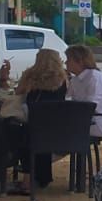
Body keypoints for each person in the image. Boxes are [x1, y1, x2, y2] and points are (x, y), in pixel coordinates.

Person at [8, 48, 68, 192]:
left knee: (22, 135)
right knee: (38, 139)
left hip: (33, 118)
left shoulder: (30, 75)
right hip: (54, 122)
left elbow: (18, 93)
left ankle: (27, 181)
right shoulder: (62, 78)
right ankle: (42, 177)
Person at [65, 44, 102, 140]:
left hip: (98, 123)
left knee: (58, 128)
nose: (65, 62)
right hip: (85, 119)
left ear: (80, 61)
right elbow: (67, 99)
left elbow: (91, 106)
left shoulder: (95, 78)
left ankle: (53, 153)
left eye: (69, 59)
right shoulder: (75, 79)